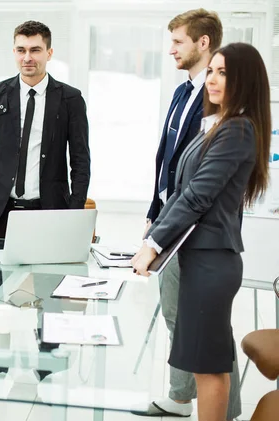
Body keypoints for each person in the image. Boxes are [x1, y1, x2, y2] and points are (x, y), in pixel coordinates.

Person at [132, 42, 271, 421]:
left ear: (245, 81)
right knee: (204, 362)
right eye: (212, 70)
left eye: (224, 72)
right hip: (198, 259)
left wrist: (153, 244)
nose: (212, 78)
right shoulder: (218, 126)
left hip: (212, 262)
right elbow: (178, 190)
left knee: (209, 368)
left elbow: (196, 197)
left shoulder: (239, 130)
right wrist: (152, 238)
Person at [0, 20, 90, 238]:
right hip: (1, 212)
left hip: (51, 211)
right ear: (14, 52)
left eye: (35, 50)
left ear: (49, 53)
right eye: (21, 50)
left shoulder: (70, 99)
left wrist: (74, 211)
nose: (27, 58)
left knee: (50, 273)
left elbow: (80, 160)